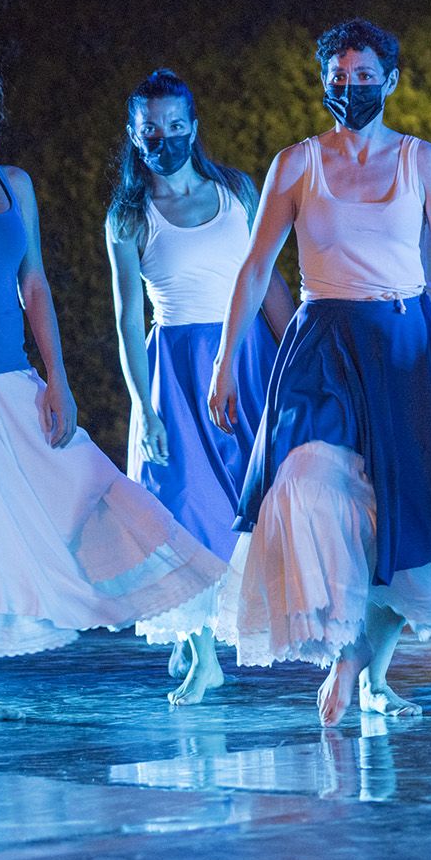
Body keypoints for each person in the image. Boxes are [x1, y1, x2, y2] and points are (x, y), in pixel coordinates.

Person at [0, 27, 224, 741]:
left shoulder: (13, 185)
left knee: (85, 487)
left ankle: (186, 609)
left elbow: (34, 284)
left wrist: (57, 378)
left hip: (9, 384)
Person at [209, 18, 431, 726]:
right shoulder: (296, 163)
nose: (351, 87)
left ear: (391, 82)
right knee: (311, 484)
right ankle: (340, 642)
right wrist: (224, 362)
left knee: (406, 515)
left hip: (404, 347)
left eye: (364, 76)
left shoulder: (420, 160)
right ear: (324, 83)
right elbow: (254, 269)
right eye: (339, 78)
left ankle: (357, 667)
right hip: (323, 346)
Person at [107, 68, 296, 705]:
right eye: (150, 130)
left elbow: (266, 280)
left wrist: (297, 356)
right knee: (182, 506)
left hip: (245, 359)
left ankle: (225, 630)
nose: (164, 138)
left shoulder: (237, 192)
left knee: (250, 500)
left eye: (175, 126)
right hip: (175, 371)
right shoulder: (129, 217)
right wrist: (142, 402)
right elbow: (129, 318)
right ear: (135, 136)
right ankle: (202, 652)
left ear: (194, 126)